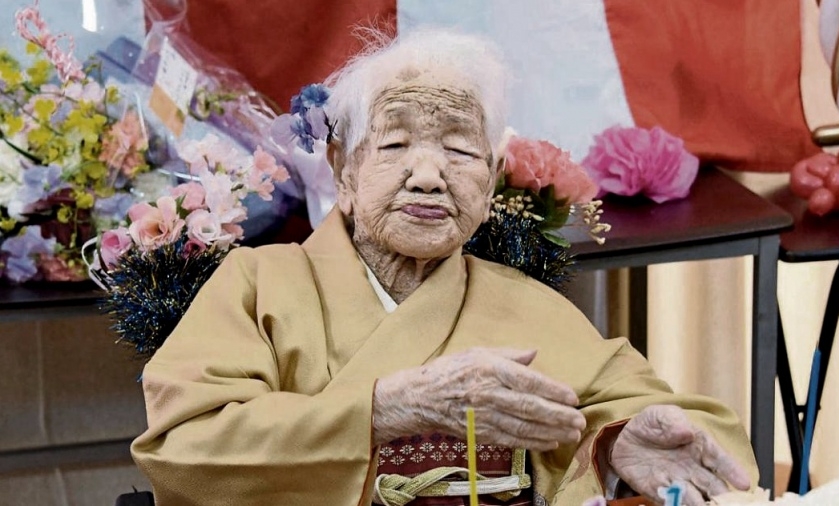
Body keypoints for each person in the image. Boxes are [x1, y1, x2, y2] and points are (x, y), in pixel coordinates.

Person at [131, 28, 759, 506]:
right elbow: (182, 449)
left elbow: (676, 427)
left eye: (459, 149)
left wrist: (617, 446)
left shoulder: (528, 307)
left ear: (488, 185)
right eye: (397, 144)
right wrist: (384, 408)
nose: (429, 176)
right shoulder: (257, 284)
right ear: (345, 171)